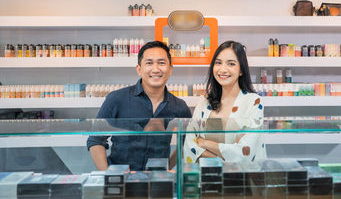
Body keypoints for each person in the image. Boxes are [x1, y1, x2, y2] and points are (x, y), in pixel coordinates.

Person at [87, 41, 191, 170]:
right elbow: (96, 140)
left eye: (161, 63)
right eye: (149, 63)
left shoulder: (179, 107)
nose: (156, 69)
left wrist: (167, 166)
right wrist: (109, 175)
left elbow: (187, 142)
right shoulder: (117, 99)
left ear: (170, 70)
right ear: (139, 69)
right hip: (122, 180)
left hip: (157, 181)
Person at [183, 41, 266, 163]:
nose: (223, 69)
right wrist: (227, 157)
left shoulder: (253, 102)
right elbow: (190, 146)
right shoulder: (204, 101)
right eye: (218, 63)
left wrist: (205, 143)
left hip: (242, 179)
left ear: (241, 70)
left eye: (231, 64)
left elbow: (245, 153)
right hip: (208, 178)